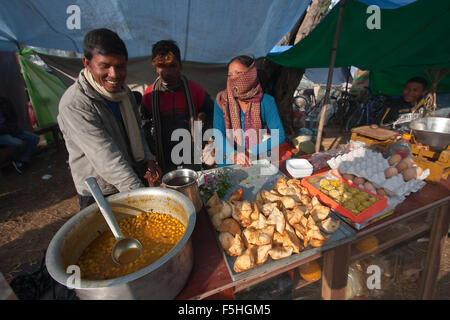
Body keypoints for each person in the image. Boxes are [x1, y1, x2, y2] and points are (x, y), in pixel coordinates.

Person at [58, 28, 161, 210]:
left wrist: (148, 159)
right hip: (102, 191)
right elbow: (107, 159)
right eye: (105, 66)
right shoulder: (75, 104)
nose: (114, 74)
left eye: (120, 66)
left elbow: (137, 129)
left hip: (129, 179)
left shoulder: (125, 93)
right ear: (87, 63)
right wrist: (142, 199)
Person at [142, 40, 214, 173]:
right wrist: (152, 148)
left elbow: (212, 112)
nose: (167, 72)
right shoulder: (150, 95)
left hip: (192, 151)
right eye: (162, 66)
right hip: (163, 154)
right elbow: (143, 123)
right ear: (155, 68)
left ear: (180, 65)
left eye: (172, 66)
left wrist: (203, 136)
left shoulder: (194, 90)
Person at [213, 55, 286, 167]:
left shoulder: (266, 102)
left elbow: (279, 135)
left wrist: (249, 152)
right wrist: (234, 155)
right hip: (227, 162)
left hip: (254, 161)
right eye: (230, 75)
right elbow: (218, 134)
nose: (233, 79)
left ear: (251, 74)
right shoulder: (222, 101)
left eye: (238, 73)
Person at [0, 96, 40, 174]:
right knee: (18, 143)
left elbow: (13, 117)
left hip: (11, 129)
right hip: (2, 133)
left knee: (34, 138)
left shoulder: (4, 101)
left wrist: (12, 128)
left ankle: (22, 159)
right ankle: (16, 159)